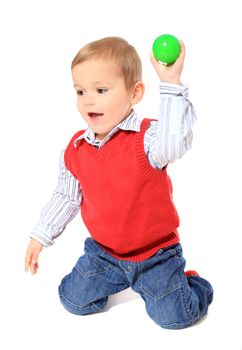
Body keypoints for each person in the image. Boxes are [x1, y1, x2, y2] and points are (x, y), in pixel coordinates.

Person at [25, 36, 213, 329]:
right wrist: (40, 236)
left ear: (135, 92)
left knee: (176, 318)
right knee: (72, 300)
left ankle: (191, 285)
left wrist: (171, 83)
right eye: (80, 91)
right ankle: (124, 281)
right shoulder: (75, 149)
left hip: (156, 255)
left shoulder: (148, 140)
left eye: (101, 90)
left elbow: (175, 143)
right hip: (104, 254)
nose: (88, 99)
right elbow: (66, 197)